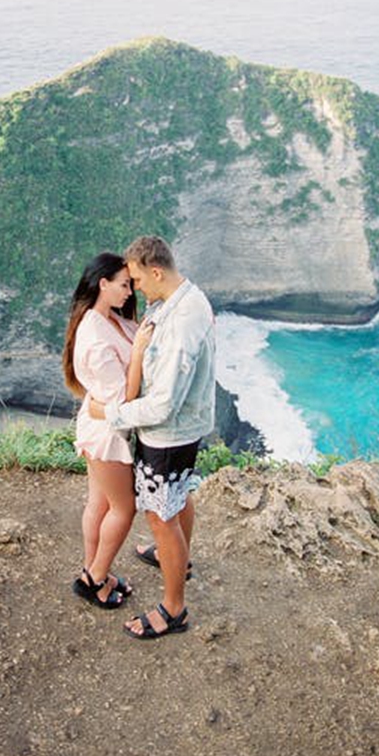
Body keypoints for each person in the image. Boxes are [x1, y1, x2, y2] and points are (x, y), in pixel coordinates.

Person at [89, 235, 215, 639]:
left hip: (168, 435)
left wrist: (109, 414)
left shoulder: (180, 323)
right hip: (180, 431)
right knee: (177, 499)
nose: (135, 288)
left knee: (161, 516)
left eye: (138, 280)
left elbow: (162, 406)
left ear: (156, 271)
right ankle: (176, 557)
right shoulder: (179, 300)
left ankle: (173, 608)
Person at [62, 252, 155, 609]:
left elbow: (139, 331)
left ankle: (96, 570)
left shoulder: (108, 319)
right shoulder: (95, 335)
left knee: (100, 503)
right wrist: (140, 352)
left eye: (131, 284)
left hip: (98, 424)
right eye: (124, 285)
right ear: (103, 284)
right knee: (124, 508)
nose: (129, 292)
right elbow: (122, 400)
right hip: (105, 432)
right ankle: (93, 579)